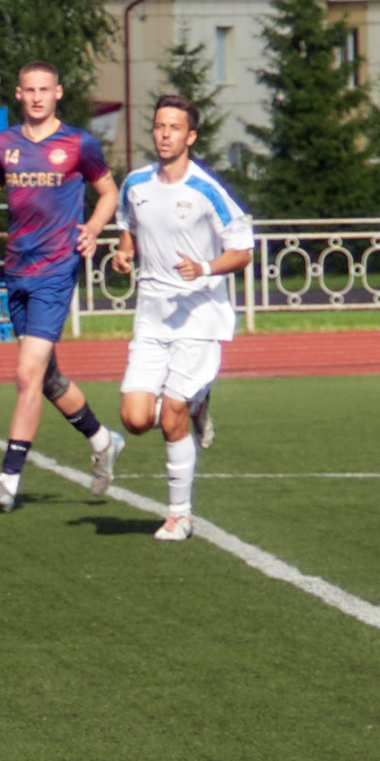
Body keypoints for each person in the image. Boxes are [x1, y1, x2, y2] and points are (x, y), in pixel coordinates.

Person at [0, 62, 128, 510]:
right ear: (18, 93)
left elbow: (108, 191)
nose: (36, 97)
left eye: (44, 90)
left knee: (27, 374)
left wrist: (92, 227)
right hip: (18, 270)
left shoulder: (79, 143)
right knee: (47, 379)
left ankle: (7, 483)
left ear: (58, 93)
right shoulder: (3, 144)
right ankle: (103, 439)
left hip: (55, 270)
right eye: (29, 90)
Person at [108, 95, 254, 541]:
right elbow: (128, 225)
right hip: (152, 316)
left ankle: (180, 515)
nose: (165, 133)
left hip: (199, 316)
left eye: (174, 127)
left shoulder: (208, 190)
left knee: (170, 414)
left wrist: (205, 267)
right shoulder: (135, 183)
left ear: (190, 136)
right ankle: (197, 402)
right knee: (134, 418)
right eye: (159, 126)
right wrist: (124, 252)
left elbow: (243, 250)